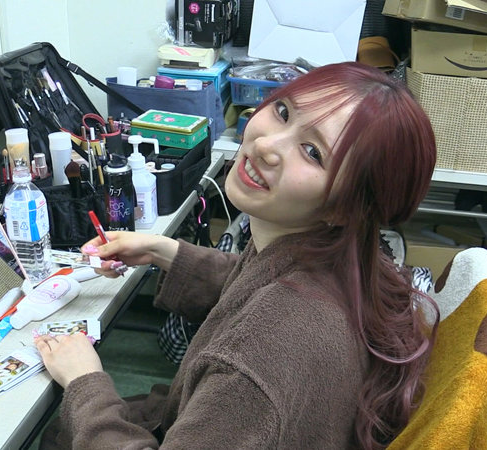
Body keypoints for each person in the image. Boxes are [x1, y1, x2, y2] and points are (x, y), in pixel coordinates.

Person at [35, 61, 439, 449]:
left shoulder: (261, 360)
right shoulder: (339, 256)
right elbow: (254, 284)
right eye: (283, 112)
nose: (265, 145)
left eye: (313, 152)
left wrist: (85, 381)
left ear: (347, 206)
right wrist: (163, 251)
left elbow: (265, 332)